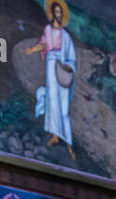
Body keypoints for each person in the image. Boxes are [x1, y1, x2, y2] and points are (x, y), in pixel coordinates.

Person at [27, 1, 77, 159]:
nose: (58, 15)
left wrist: (67, 65)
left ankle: (68, 142)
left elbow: (72, 59)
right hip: (50, 65)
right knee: (52, 101)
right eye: (56, 12)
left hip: (61, 68)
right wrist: (31, 50)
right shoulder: (48, 30)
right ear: (52, 13)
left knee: (63, 107)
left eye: (60, 12)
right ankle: (55, 134)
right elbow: (42, 44)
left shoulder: (66, 36)